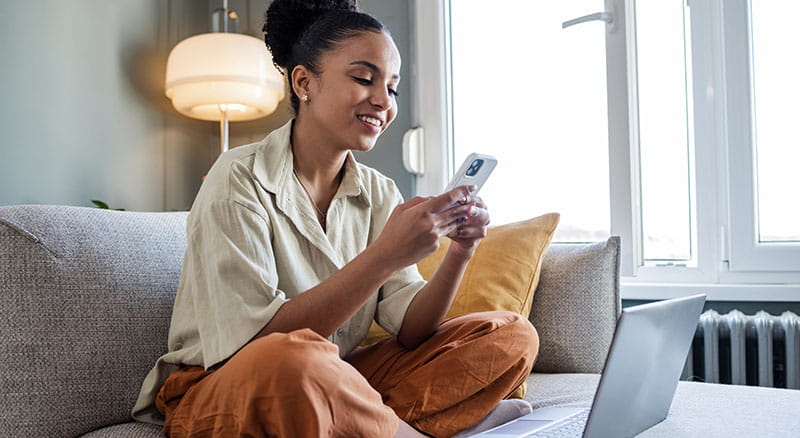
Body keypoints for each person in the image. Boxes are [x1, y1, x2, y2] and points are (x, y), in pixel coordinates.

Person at [131, 0, 539, 436]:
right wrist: (384, 256)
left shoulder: (379, 192)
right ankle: (410, 428)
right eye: (364, 78)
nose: (383, 100)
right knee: (295, 360)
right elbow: (253, 348)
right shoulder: (237, 178)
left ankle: (360, 422)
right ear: (304, 82)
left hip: (331, 375)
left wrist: (461, 251)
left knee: (511, 334)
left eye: (393, 87)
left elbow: (413, 329)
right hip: (226, 384)